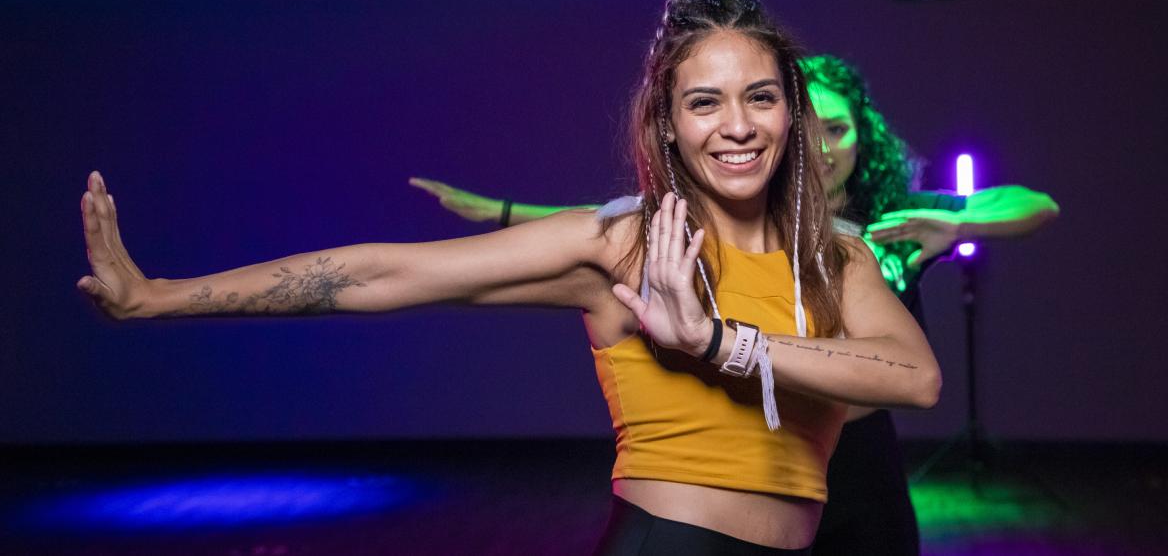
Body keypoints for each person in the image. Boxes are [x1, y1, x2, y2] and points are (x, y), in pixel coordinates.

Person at [77, 0, 942, 554]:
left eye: (760, 97)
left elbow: (915, 376)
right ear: (668, 124)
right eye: (704, 102)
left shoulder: (838, 258)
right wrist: (160, 296)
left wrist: (722, 340)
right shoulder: (625, 242)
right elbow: (385, 273)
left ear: (791, 111)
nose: (738, 125)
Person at [412, 54, 1059, 554]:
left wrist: (960, 226)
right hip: (771, 445)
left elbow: (1034, 203)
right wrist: (501, 212)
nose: (825, 145)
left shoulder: (893, 215)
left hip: (861, 457)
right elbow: (602, 222)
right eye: (810, 127)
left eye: (839, 128)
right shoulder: (739, 218)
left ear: (864, 137)